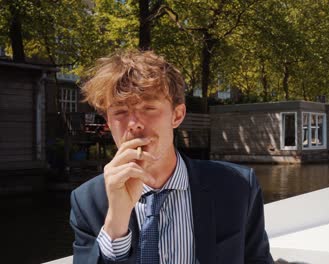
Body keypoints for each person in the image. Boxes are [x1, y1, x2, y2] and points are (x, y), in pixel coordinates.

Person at [69, 49, 273, 264]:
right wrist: (115, 223)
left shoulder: (237, 186)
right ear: (109, 124)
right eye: (120, 112)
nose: (134, 123)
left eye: (148, 107)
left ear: (177, 115)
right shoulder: (88, 201)